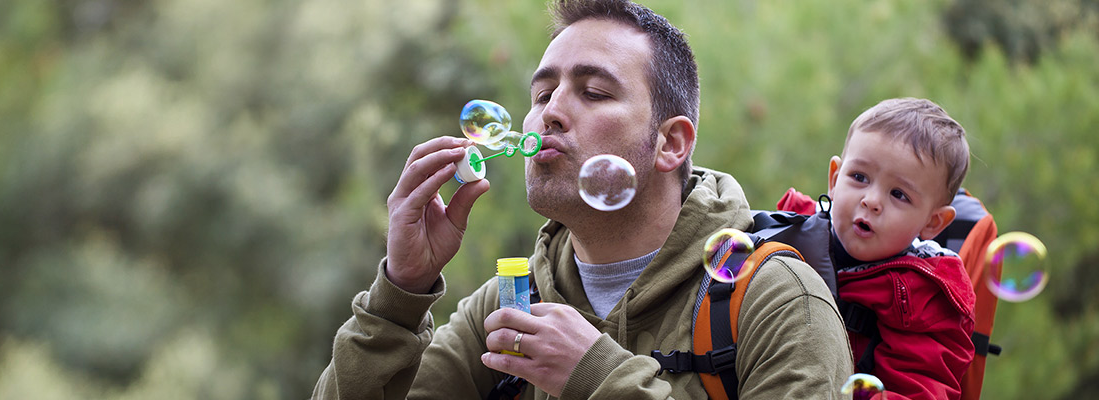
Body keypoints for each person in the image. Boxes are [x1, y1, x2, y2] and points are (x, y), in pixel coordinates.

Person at [313, 0, 852, 398]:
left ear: (671, 143)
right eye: (542, 94)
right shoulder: (508, 304)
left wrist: (596, 373)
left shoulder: (776, 300)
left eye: (594, 92)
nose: (549, 112)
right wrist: (399, 295)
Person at [777, 97, 977, 399]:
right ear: (834, 179)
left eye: (898, 194)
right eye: (859, 177)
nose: (871, 200)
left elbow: (919, 391)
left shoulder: (925, 302)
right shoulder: (789, 232)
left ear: (933, 222)